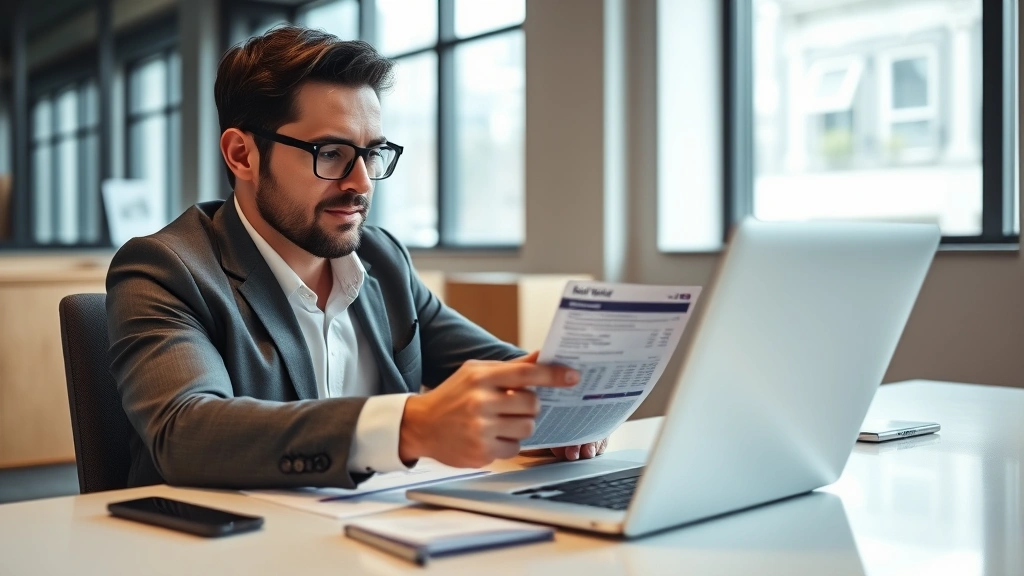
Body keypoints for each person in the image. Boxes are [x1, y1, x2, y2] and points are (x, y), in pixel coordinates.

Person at [106, 25, 607, 489]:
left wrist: (565, 406)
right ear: (242, 155)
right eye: (330, 153)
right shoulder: (165, 270)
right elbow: (186, 432)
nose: (361, 181)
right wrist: (408, 427)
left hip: (377, 535)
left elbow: (498, 369)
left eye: (372, 152)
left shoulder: (383, 259)